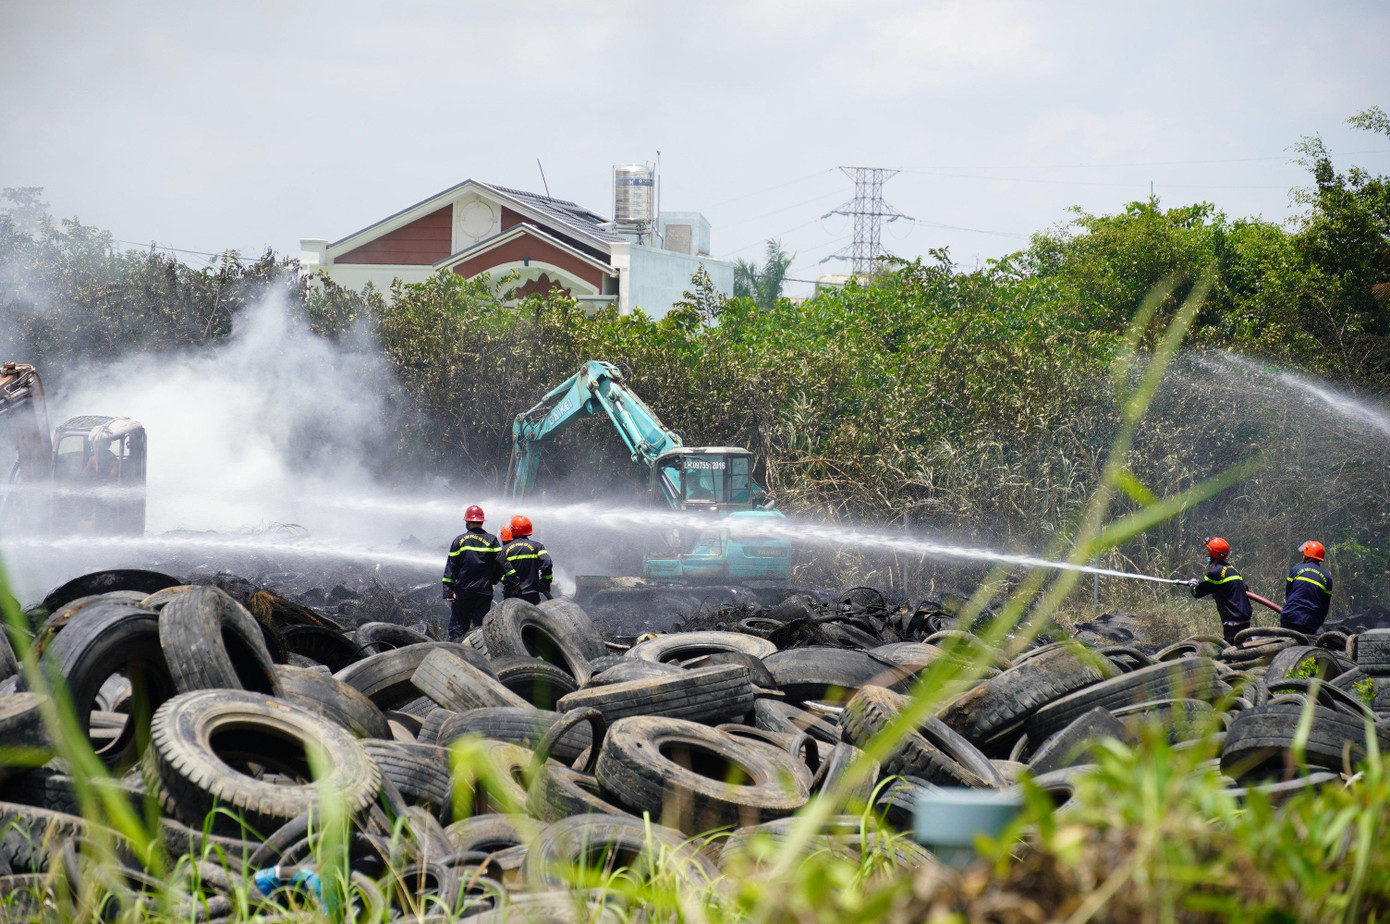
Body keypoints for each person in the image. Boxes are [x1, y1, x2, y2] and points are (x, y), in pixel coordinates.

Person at [441, 505, 503, 641]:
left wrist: (448, 591)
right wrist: (493, 580)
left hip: (463, 592)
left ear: (467, 522)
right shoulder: (492, 540)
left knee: (458, 628)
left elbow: (451, 566)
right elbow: (500, 564)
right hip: (483, 593)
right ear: (482, 522)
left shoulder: (459, 540)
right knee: (481, 630)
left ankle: (457, 656)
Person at [1187, 536, 1252, 645]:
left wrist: (1192, 585)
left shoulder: (1215, 573)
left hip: (1232, 622)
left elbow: (1197, 592)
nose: (1206, 555)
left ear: (1214, 554)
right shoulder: (1232, 570)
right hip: (1244, 620)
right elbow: (1243, 588)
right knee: (1243, 649)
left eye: (1208, 551)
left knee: (1231, 653)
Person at [500, 514, 553, 605]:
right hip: (531, 595)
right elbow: (547, 563)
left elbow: (499, 572)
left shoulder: (505, 550)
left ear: (513, 530)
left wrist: (508, 581)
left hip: (512, 595)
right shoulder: (538, 547)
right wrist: (545, 581)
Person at [1281, 540, 1332, 635]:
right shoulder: (1327, 578)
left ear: (1306, 555)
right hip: (1311, 621)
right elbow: (1325, 605)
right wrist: (1319, 622)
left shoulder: (1296, 569)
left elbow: (1288, 594)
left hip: (1291, 616)